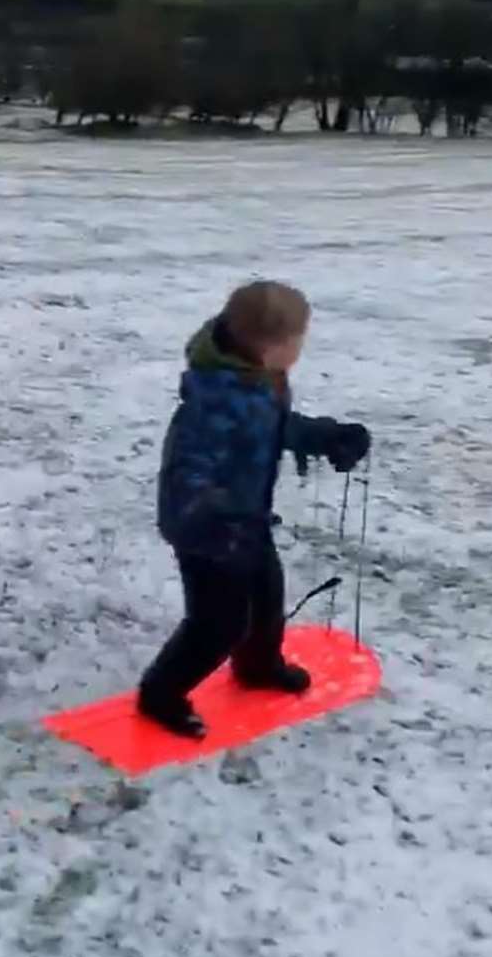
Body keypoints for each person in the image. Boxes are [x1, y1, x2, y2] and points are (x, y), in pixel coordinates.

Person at [137, 280, 371, 739]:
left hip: (248, 519)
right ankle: (160, 693)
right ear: (271, 346)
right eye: (298, 339)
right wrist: (214, 510)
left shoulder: (259, 380)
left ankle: (259, 666)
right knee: (217, 624)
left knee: (266, 596)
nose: (302, 347)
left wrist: (324, 436)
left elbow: (273, 427)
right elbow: (189, 470)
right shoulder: (215, 401)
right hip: (206, 531)